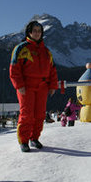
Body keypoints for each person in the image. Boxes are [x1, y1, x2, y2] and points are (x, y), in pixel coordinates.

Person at [9, 21, 58, 152]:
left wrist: (53, 86)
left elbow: (52, 70)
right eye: (34, 30)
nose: (37, 33)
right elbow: (14, 70)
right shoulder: (21, 48)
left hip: (43, 86)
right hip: (26, 86)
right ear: (29, 32)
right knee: (27, 114)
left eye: (39, 31)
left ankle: (34, 138)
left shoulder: (46, 51)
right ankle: (23, 140)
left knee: (40, 115)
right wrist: (19, 85)